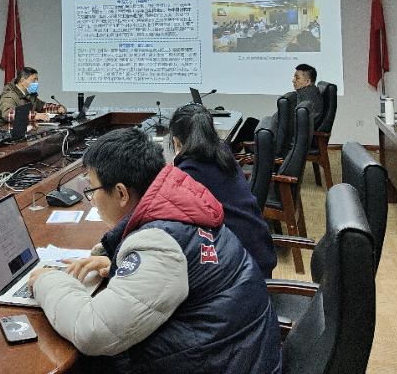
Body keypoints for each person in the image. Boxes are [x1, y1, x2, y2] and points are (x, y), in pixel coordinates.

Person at [29, 127, 281, 374]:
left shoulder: (161, 245)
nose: (92, 200)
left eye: (92, 191)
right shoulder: (182, 209)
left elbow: (93, 330)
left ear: (121, 193)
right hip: (234, 352)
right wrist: (118, 266)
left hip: (222, 360)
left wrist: (46, 280)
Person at [169, 103, 276, 277]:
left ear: (176, 140)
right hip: (258, 249)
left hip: (244, 268)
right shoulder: (222, 152)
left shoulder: (190, 171)